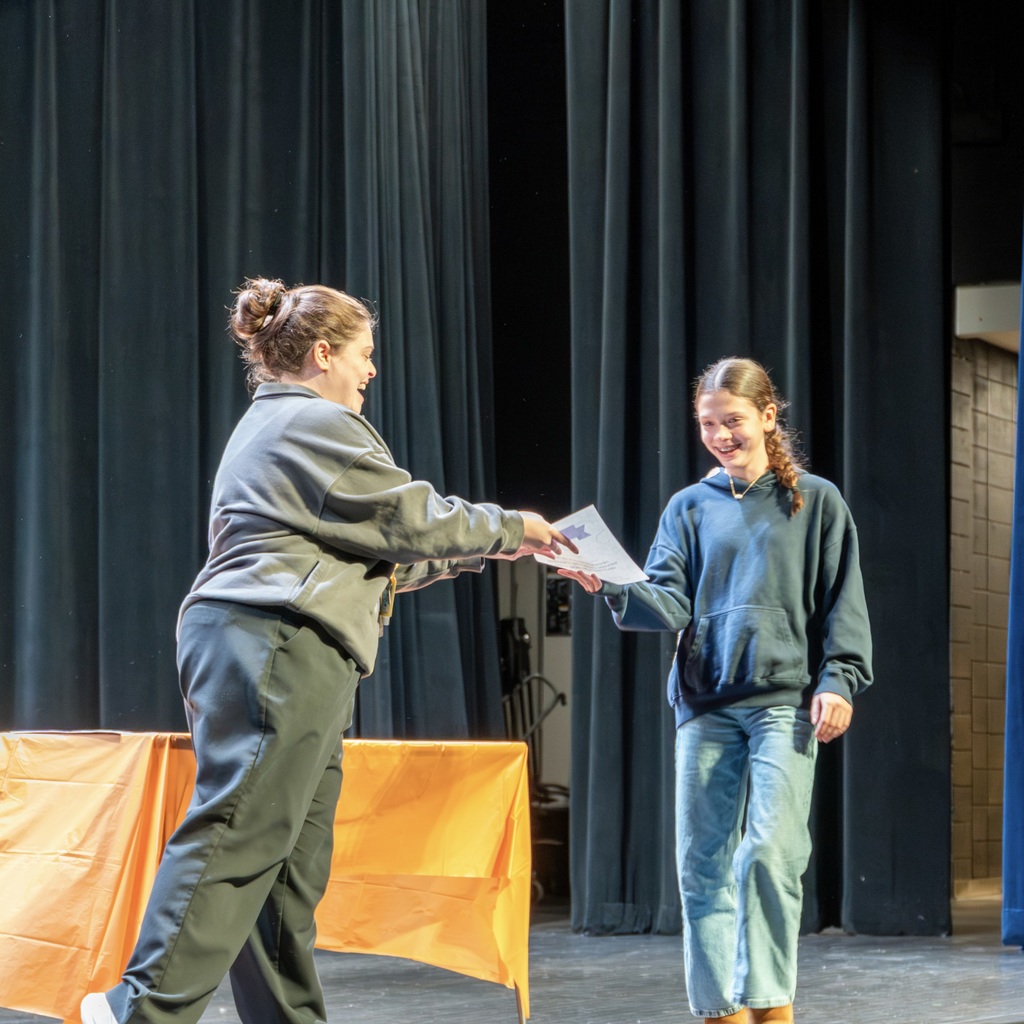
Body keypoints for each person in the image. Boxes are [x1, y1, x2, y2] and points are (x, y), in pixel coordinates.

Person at [80, 277, 575, 1024]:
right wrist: (515, 528)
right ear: (322, 353)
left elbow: (380, 550)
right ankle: (138, 1010)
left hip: (281, 642)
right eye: (364, 355)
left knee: (286, 867)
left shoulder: (282, 425)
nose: (370, 370)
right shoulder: (312, 422)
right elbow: (409, 516)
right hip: (273, 640)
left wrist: (484, 553)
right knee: (242, 828)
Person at [559, 357, 872, 1024]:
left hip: (783, 705)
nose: (722, 434)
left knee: (768, 853)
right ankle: (719, 1011)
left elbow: (844, 602)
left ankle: (769, 1005)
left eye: (733, 421)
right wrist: (609, 582)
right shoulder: (688, 507)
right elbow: (668, 602)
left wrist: (838, 678)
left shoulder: (814, 501)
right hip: (704, 706)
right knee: (701, 866)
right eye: (709, 424)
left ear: (767, 415)